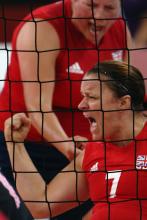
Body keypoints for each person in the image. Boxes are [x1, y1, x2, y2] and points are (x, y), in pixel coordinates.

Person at [0, 0, 132, 219]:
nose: (100, 16)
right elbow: (38, 109)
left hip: (83, 151)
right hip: (22, 145)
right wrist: (69, 148)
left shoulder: (119, 28)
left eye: (109, 8)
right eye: (91, 5)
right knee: (27, 212)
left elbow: (127, 98)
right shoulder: (41, 27)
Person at [4, 61, 147, 220]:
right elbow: (40, 205)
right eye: (82, 96)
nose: (81, 105)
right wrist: (15, 143)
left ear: (123, 102)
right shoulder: (92, 153)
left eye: (91, 97)